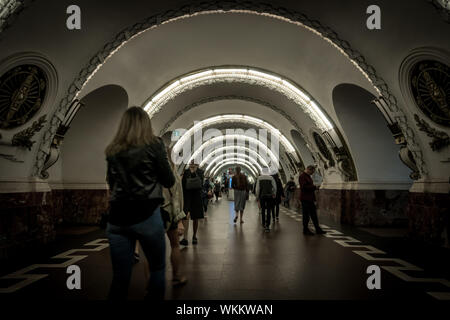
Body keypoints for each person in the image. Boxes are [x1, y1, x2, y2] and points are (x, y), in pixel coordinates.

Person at [105, 106, 175, 300]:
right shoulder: (155, 144)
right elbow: (169, 180)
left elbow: (111, 183)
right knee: (157, 268)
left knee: (120, 276)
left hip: (117, 218)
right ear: (146, 124)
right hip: (147, 214)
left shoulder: (112, 150)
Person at [160, 146, 187, 287]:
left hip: (154, 213)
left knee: (151, 251)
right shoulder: (174, 175)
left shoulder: (152, 172)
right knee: (175, 245)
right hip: (170, 214)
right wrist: (180, 220)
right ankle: (176, 276)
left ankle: (150, 285)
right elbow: (177, 199)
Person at [180, 160, 204, 245]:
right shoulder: (186, 172)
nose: (192, 164)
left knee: (195, 218)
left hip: (196, 198)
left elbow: (200, 184)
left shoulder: (200, 172)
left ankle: (194, 236)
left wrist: (193, 173)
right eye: (191, 162)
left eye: (194, 163)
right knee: (185, 217)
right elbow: (183, 185)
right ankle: (185, 238)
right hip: (187, 197)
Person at [299, 165, 326, 235]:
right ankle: (305, 230)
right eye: (312, 172)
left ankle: (317, 229)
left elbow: (309, 187)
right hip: (305, 199)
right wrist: (314, 187)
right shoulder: (302, 176)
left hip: (310, 198)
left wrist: (314, 198)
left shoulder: (308, 176)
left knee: (314, 214)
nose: (312, 173)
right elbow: (304, 187)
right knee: (306, 215)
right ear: (308, 169)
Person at [256, 168, 277, 232]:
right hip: (269, 196)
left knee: (262, 209)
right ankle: (268, 225)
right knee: (268, 210)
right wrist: (274, 194)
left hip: (262, 196)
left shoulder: (259, 178)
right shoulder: (271, 178)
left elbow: (257, 188)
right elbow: (275, 187)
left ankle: (263, 223)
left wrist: (257, 196)